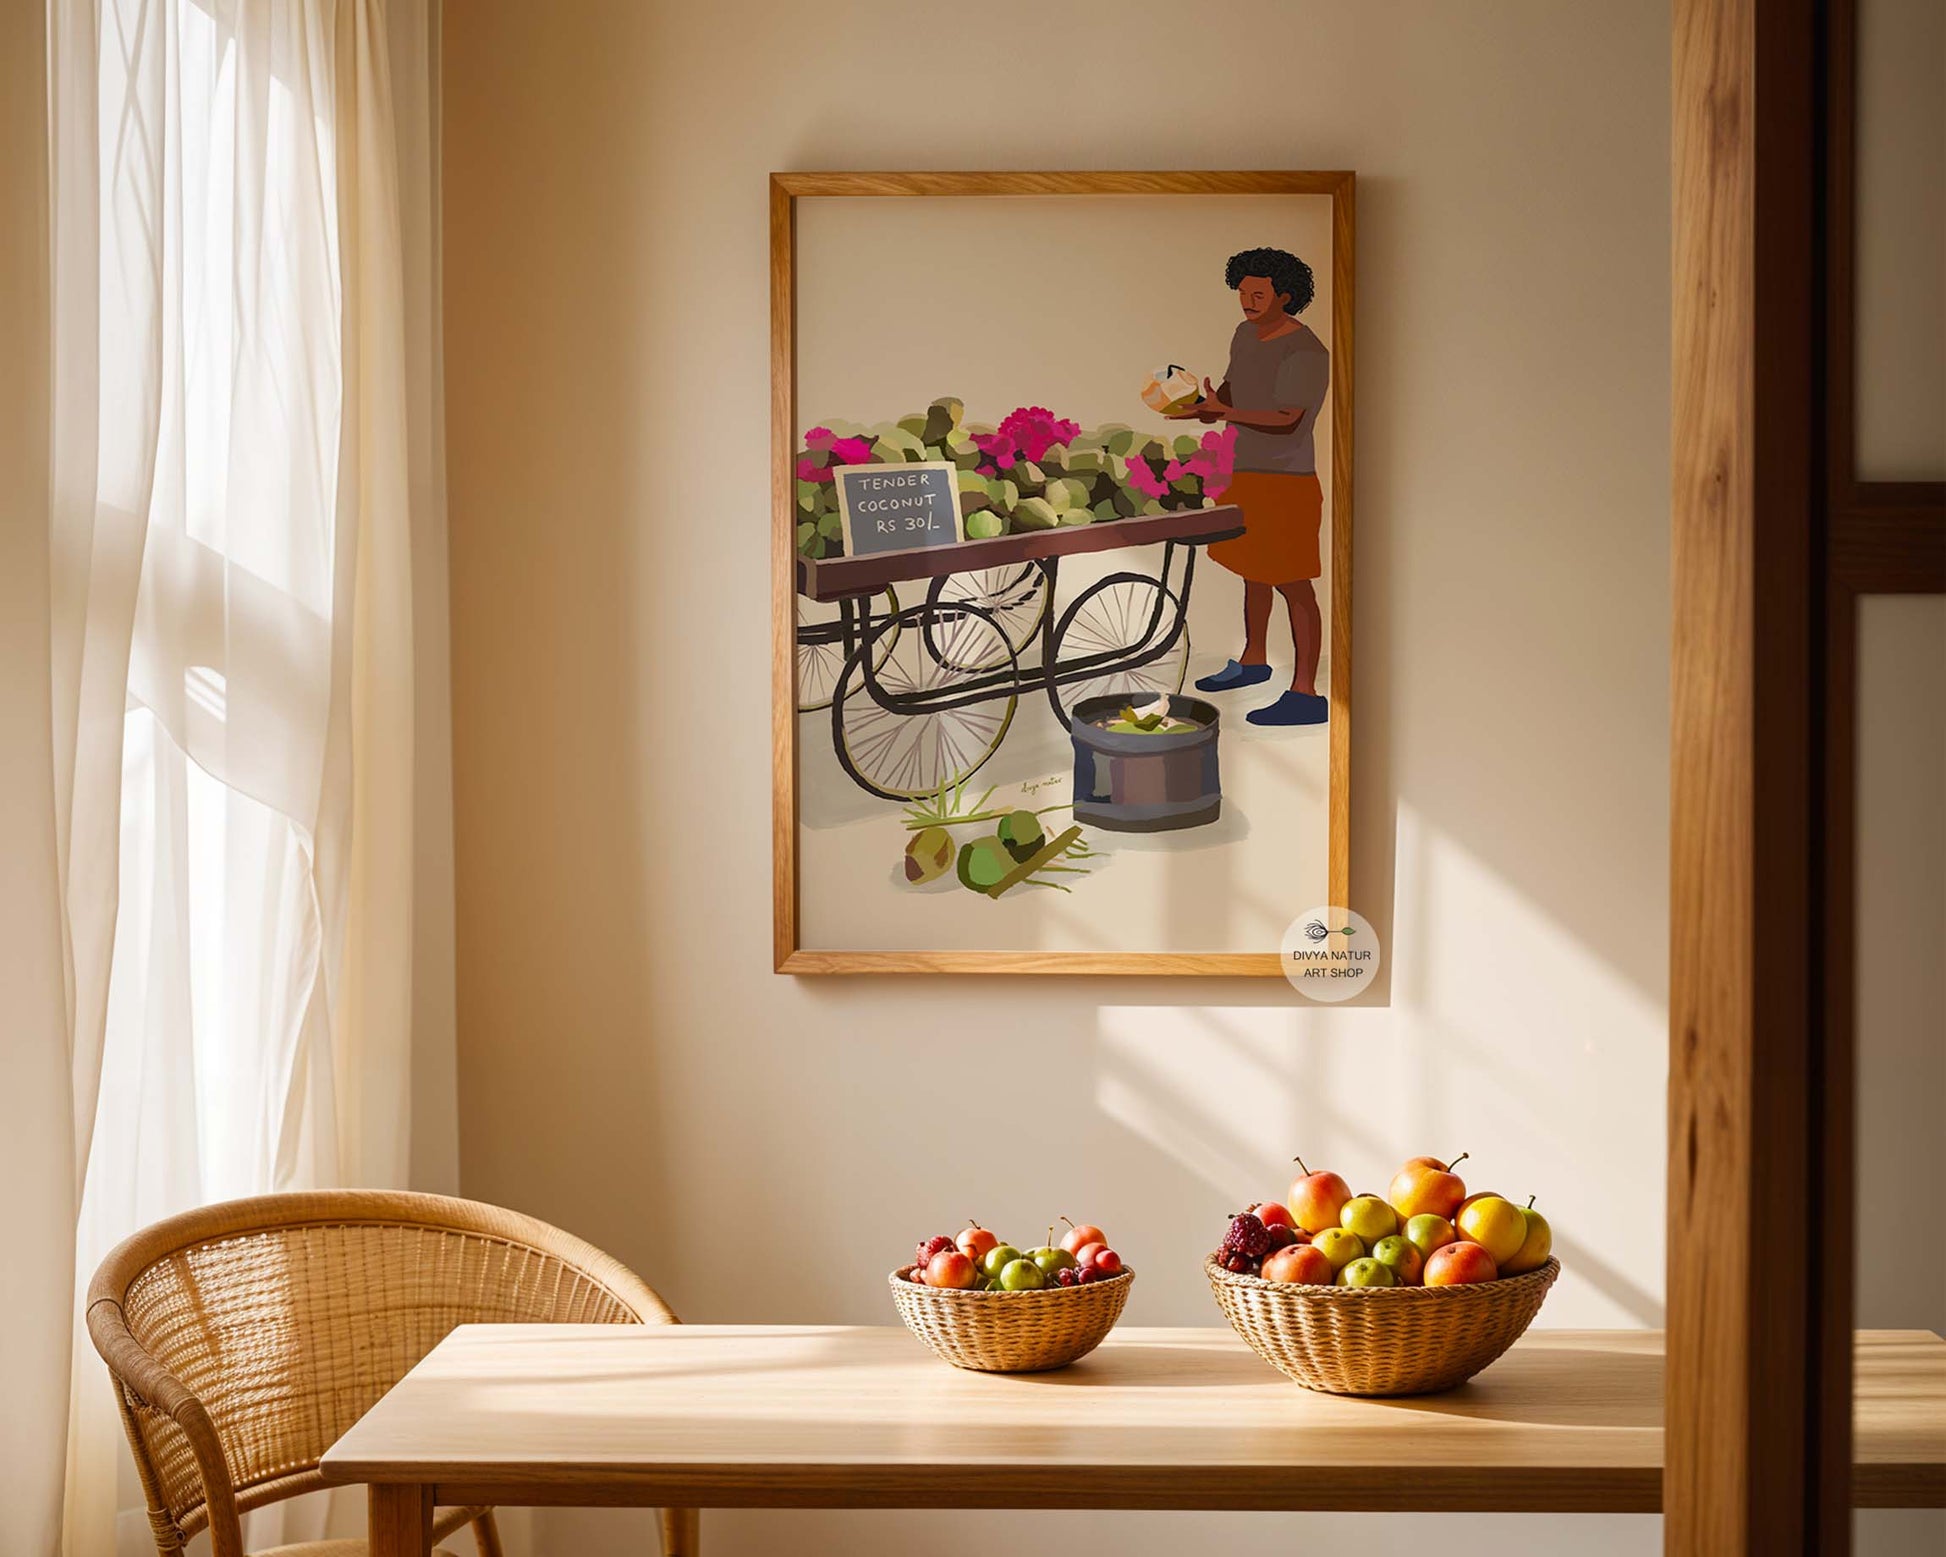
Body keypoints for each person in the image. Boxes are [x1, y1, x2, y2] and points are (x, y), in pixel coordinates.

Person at [1167, 246, 1330, 725]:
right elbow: (1235, 391)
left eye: (1258, 294)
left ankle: (1304, 693)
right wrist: (1205, 404)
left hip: (1287, 480)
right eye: (1242, 292)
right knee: (1251, 571)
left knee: (1293, 582)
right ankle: (1254, 660)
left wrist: (1228, 413)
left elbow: (1288, 418)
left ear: (1286, 296)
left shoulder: (1306, 350)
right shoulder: (1244, 334)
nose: (1247, 301)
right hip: (1242, 472)